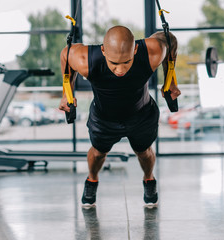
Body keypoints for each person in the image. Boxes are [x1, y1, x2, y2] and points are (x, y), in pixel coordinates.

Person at [59, 25, 180, 206]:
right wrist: (65, 93)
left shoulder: (151, 53)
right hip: (103, 118)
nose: (120, 70)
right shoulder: (86, 60)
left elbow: (170, 40)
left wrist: (170, 78)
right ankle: (92, 179)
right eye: (114, 63)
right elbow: (65, 54)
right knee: (98, 153)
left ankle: (148, 179)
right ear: (103, 51)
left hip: (142, 115)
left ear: (135, 50)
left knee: (144, 152)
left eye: (127, 61)